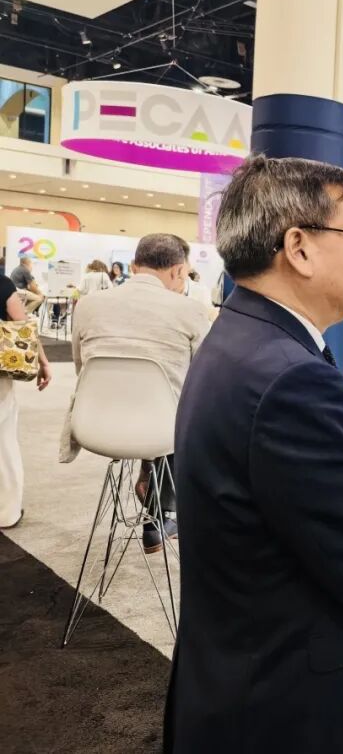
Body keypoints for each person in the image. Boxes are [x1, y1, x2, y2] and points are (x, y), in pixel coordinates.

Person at [163, 155, 343, 754]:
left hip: (240, 670)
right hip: (292, 697)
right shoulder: (293, 378)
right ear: (299, 248)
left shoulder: (240, 339)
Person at [62, 234, 209, 553]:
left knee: (165, 411)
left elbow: (80, 367)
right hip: (161, 430)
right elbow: (204, 380)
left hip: (93, 425)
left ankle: (151, 485)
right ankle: (164, 511)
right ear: (178, 271)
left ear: (132, 266)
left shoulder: (88, 306)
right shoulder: (191, 310)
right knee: (191, 412)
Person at [0, 271, 52, 528]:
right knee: (3, 444)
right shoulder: (2, 284)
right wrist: (43, 362)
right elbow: (23, 328)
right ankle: (6, 513)